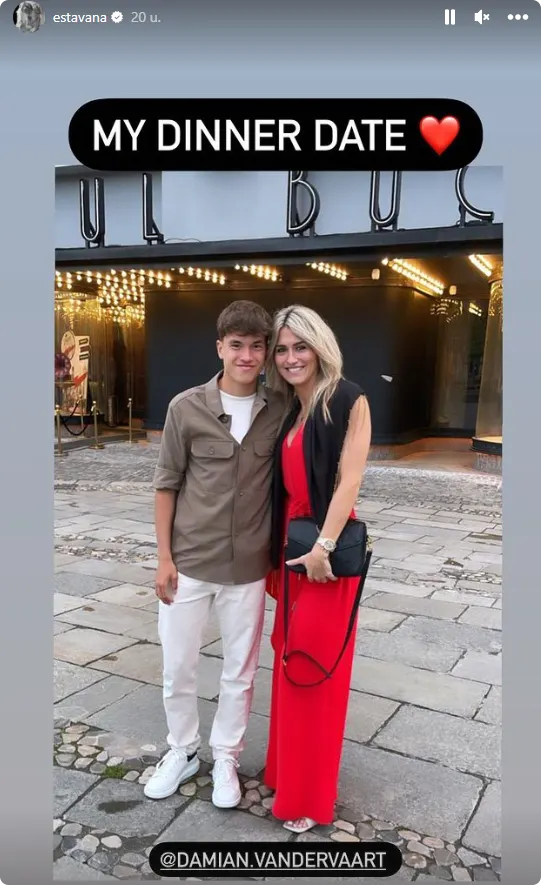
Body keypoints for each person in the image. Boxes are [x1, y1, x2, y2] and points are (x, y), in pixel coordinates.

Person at [144, 300, 285, 808]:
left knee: (239, 673)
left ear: (266, 352)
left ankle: (226, 756)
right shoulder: (186, 408)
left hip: (248, 568)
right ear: (220, 347)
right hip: (189, 563)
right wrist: (164, 558)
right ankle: (182, 750)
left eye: (256, 346)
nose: (247, 355)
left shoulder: (280, 410)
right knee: (177, 666)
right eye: (237, 345)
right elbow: (166, 485)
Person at [263, 304, 372, 833]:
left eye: (300, 346)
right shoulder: (293, 410)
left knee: (312, 673)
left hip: (323, 559)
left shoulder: (347, 398)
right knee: (290, 663)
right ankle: (287, 774)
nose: (290, 358)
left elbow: (350, 480)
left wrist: (323, 548)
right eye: (282, 349)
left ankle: (307, 797)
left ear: (320, 346)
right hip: (293, 551)